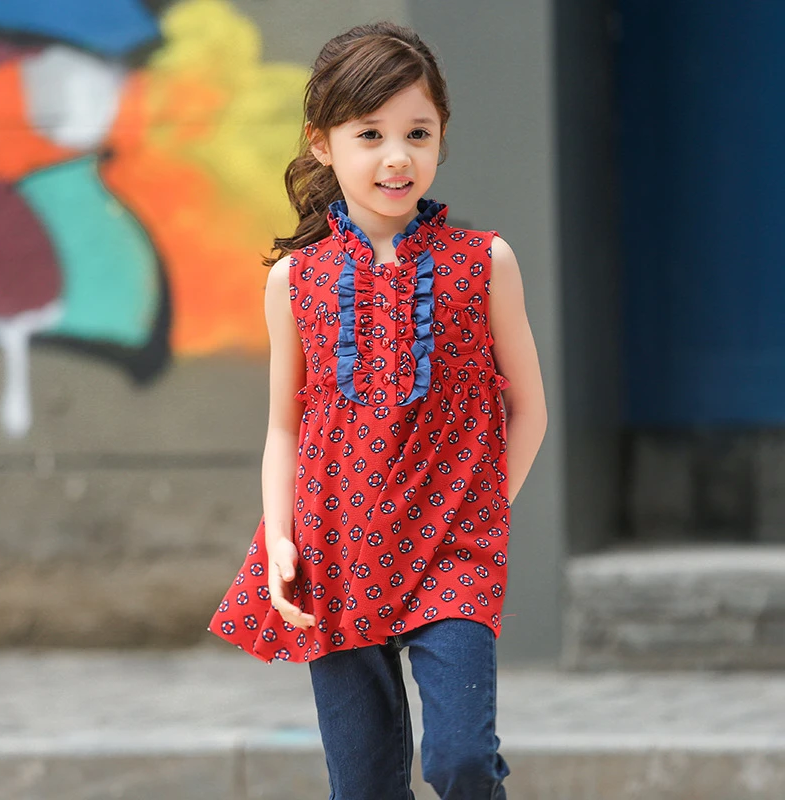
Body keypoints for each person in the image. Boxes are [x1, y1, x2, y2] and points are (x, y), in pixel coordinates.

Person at [209, 20, 547, 800]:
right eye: (370, 134)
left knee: (461, 759)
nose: (397, 156)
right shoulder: (294, 280)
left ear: (441, 139)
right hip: (335, 547)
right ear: (322, 143)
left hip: (454, 552)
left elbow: (529, 406)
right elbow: (284, 427)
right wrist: (282, 538)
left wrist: (486, 509)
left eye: (417, 133)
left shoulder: (486, 262)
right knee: (362, 785)